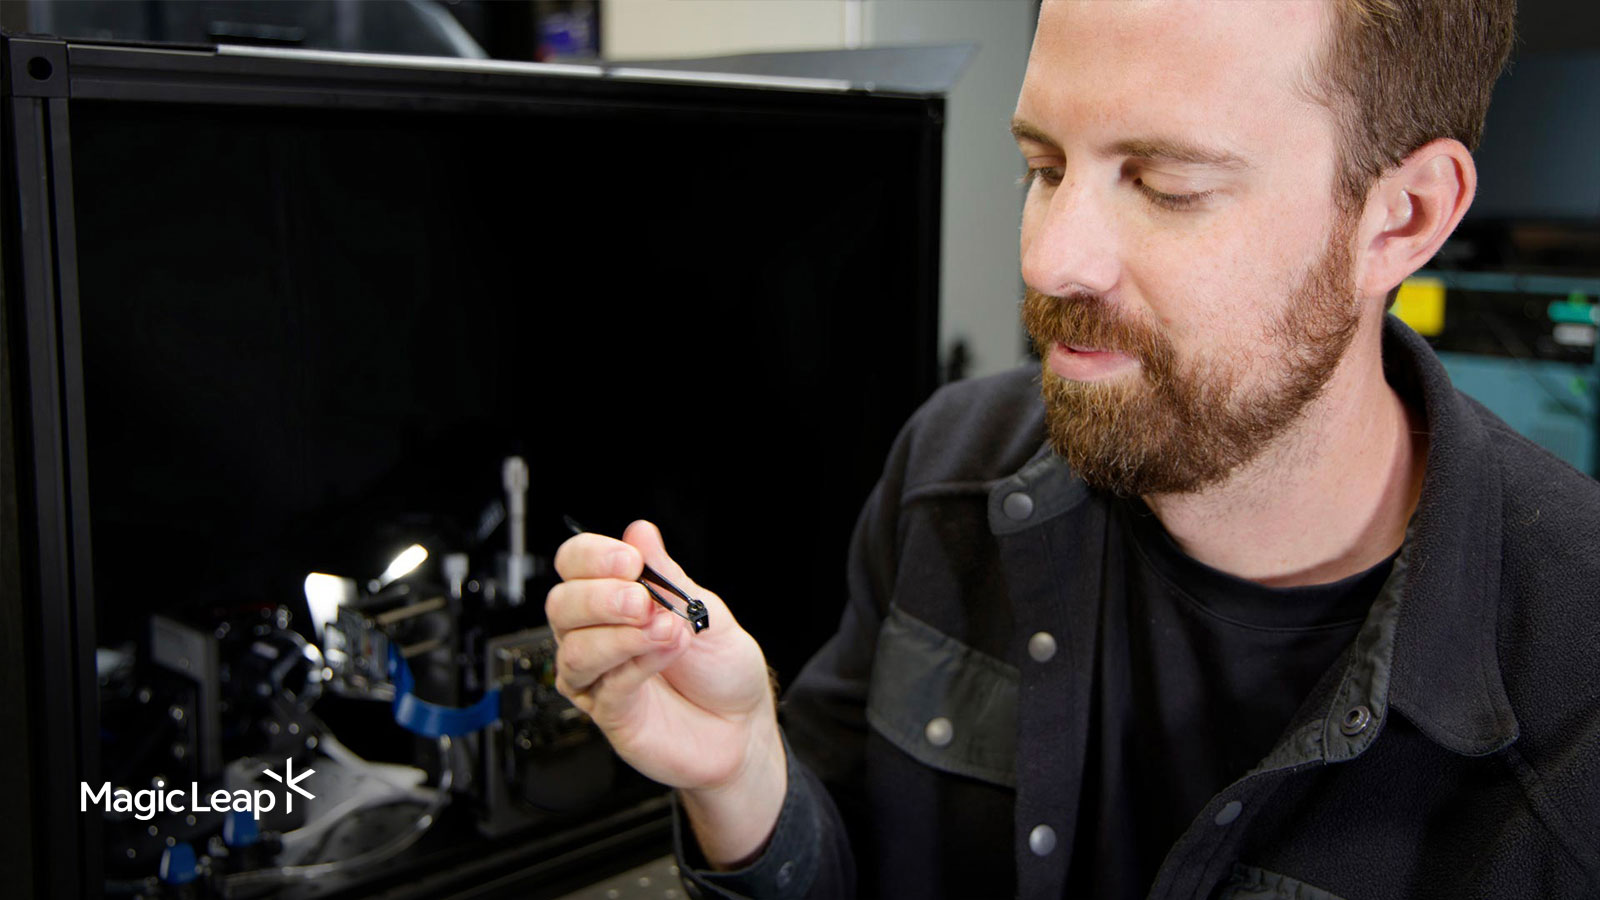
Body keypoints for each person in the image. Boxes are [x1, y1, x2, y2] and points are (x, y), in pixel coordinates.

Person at [546, 1, 1600, 897]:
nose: (1052, 259)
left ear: (1402, 218)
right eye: (1043, 167)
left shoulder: (1575, 687)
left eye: (1166, 184)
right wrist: (738, 778)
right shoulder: (953, 467)